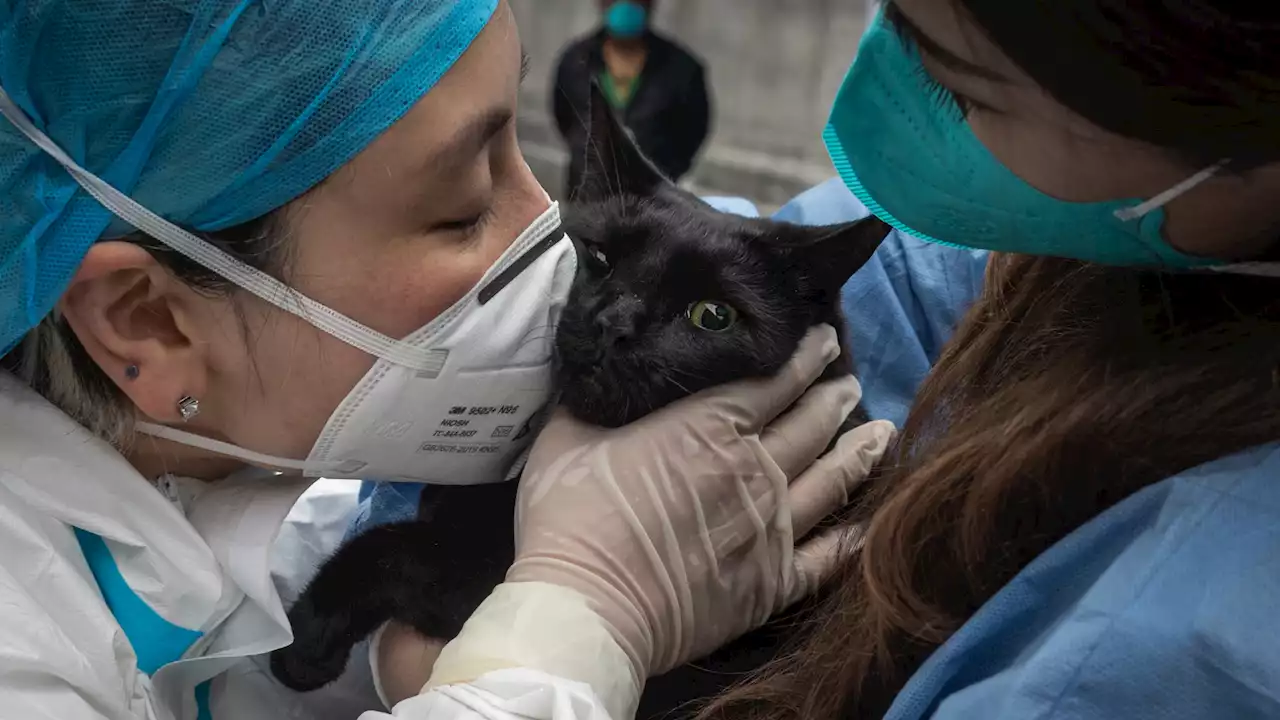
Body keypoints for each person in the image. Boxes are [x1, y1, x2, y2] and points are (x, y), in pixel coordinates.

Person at [366, 0, 1280, 718]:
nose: (896, 91)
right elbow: (779, 256)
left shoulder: (1207, 643)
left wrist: (545, 647)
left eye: (961, 90)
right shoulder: (1052, 236)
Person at [0, 1, 894, 719]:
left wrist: (414, 655)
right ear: (147, 321)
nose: (547, 241)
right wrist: (575, 626)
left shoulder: (235, 484)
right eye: (464, 210)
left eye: (528, 163)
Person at [552, 0, 711, 197]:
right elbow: (563, 116)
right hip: (585, 195)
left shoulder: (682, 69)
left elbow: (693, 131)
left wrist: (663, 171)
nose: (625, 4)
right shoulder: (575, 61)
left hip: (652, 199)